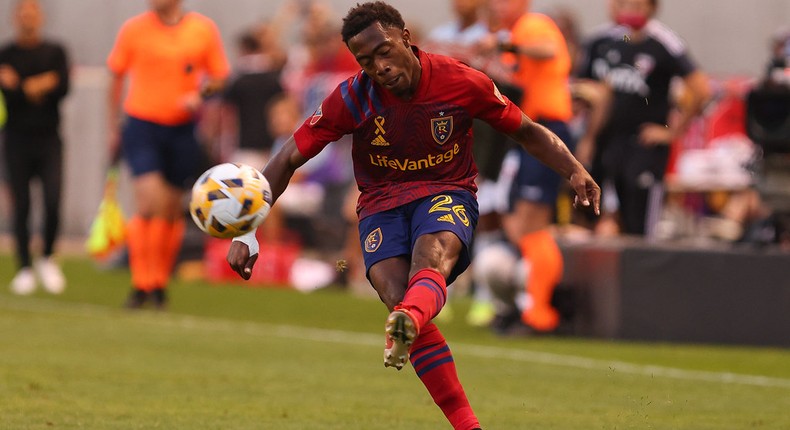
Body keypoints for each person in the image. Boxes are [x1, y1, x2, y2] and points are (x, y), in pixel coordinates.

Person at [227, 2, 600, 428]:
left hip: (446, 192)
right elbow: (288, 157)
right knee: (393, 293)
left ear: (405, 36)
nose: (379, 67)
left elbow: (528, 131)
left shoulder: (460, 80)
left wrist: (574, 169)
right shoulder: (350, 98)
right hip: (382, 202)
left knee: (431, 254)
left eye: (383, 52)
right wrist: (248, 229)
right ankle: (458, 407)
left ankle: (409, 319)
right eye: (365, 61)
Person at [107, 0, 229, 309]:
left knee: (171, 207)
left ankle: (159, 282)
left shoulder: (202, 29)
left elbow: (219, 77)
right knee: (148, 200)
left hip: (182, 128)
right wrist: (113, 125)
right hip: (142, 124)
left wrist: (199, 96)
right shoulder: (134, 29)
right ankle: (141, 282)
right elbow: (116, 75)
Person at [478, 0, 575, 333]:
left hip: (546, 129)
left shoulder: (533, 24)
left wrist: (504, 44)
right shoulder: (513, 33)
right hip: (523, 133)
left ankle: (541, 313)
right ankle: (520, 304)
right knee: (516, 224)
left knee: (532, 225)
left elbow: (546, 50)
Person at [575, 0, 711, 236]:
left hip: (644, 145)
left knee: (639, 219)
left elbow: (700, 89)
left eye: (638, 5)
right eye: (625, 4)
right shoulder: (611, 41)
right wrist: (589, 137)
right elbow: (603, 93)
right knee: (598, 211)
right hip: (611, 143)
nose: (631, 10)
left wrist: (672, 132)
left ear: (651, 8)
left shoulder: (663, 43)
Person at [0, 0, 70, 295]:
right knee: (22, 205)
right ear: (16, 18)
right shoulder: (6, 53)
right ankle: (25, 267)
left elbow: (62, 87)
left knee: (53, 200)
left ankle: (48, 257)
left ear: (40, 17)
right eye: (23, 13)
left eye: (32, 12)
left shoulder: (55, 51)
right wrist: (38, 85)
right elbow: (11, 95)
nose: (28, 18)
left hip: (49, 138)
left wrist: (22, 85)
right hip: (15, 138)